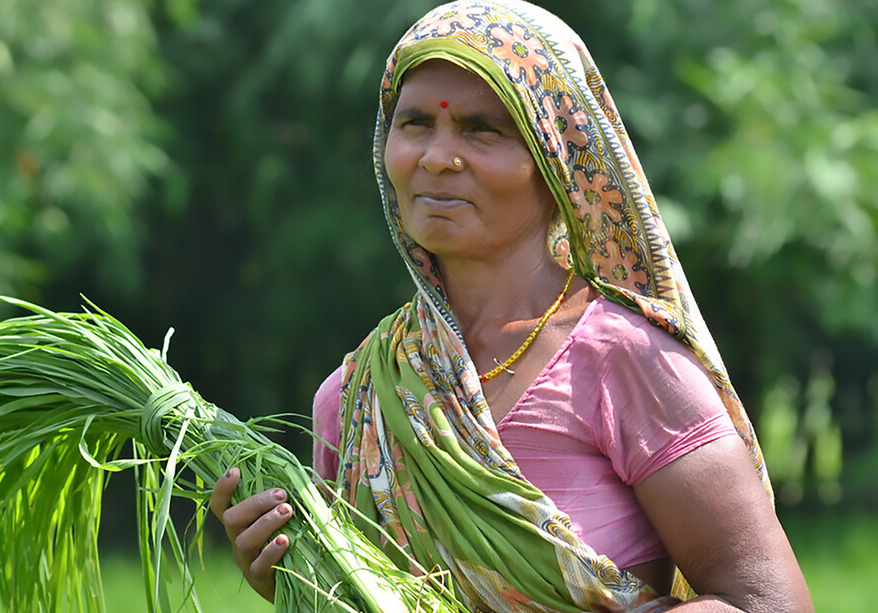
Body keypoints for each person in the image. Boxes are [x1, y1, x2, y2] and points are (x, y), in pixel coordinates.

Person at [211, 1, 813, 610]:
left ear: (554, 159)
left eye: (482, 129)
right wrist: (301, 579)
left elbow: (769, 602)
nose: (436, 156)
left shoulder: (626, 363)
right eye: (414, 123)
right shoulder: (358, 398)